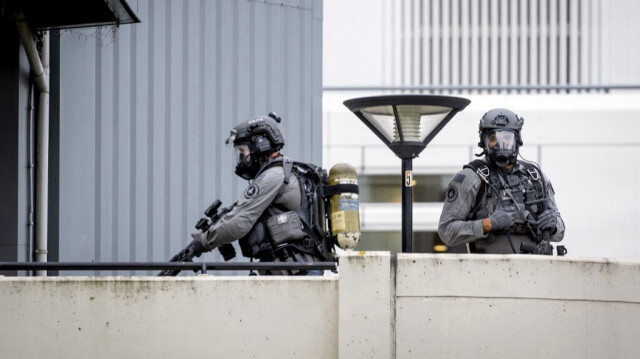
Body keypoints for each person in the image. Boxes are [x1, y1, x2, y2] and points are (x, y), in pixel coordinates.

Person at [186, 112, 332, 275]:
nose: (241, 158)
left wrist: (202, 242)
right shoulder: (284, 172)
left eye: (243, 151)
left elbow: (239, 220)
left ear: (260, 144)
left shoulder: (273, 176)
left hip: (298, 276)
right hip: (299, 273)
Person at [438, 108, 565, 254]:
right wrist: (487, 224)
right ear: (483, 142)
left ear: (517, 140)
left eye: (507, 138)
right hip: (488, 271)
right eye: (493, 138)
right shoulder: (471, 178)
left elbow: (560, 230)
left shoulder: (535, 177)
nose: (500, 144)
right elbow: (446, 231)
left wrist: (554, 225)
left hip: (534, 270)